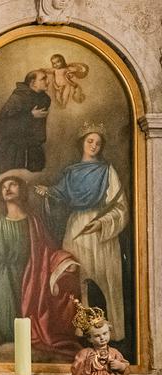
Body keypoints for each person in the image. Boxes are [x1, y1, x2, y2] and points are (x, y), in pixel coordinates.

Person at [0, 170, 81, 357]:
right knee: (3, 326)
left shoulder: (33, 222)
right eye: (3, 186)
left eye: (12, 184)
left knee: (25, 320)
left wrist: (64, 262)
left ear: (22, 190)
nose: (7, 189)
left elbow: (47, 251)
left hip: (29, 278)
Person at [40, 127, 129, 341]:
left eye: (98, 143)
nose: (94, 146)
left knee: (107, 278)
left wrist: (101, 223)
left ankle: (114, 332)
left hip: (101, 231)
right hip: (76, 227)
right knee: (78, 280)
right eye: (90, 141)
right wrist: (47, 193)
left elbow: (121, 207)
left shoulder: (107, 170)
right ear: (82, 142)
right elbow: (58, 194)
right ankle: (81, 329)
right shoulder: (71, 172)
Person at [0, 69, 51, 177]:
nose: (48, 82)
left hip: (34, 151)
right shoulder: (18, 98)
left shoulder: (44, 99)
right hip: (13, 151)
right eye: (43, 79)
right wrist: (30, 115)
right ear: (33, 83)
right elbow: (0, 125)